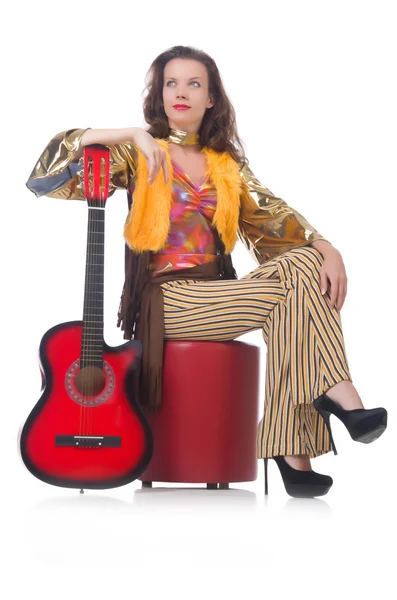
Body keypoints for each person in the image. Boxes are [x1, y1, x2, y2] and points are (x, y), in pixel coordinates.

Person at [26, 45, 387, 498]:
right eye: (170, 83)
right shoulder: (139, 154)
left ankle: (295, 443)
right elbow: (47, 170)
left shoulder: (227, 165)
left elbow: (276, 218)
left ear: (211, 97)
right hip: (168, 303)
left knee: (304, 265)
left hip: (219, 296)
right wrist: (133, 135)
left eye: (194, 83)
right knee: (292, 287)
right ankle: (316, 416)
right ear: (158, 95)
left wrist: (327, 246)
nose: (181, 93)